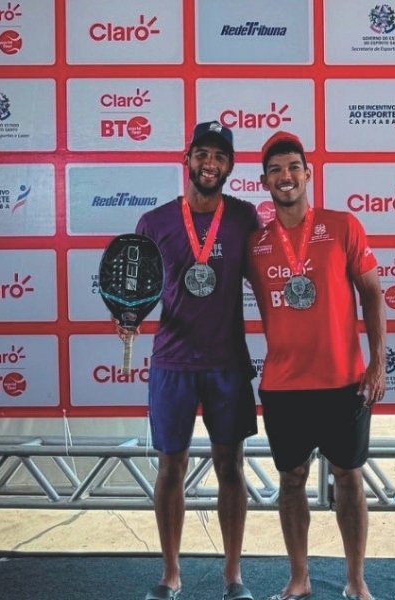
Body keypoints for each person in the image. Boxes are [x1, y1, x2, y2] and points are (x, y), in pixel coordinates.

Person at [246, 131, 386, 600]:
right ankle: (299, 578)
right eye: (275, 171)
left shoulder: (342, 226)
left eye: (292, 167)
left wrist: (377, 364)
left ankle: (355, 581)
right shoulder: (256, 243)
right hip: (283, 385)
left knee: (349, 477)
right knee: (291, 480)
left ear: (307, 173)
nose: (285, 177)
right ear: (264, 182)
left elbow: (371, 294)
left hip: (344, 380)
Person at [132, 121, 259, 600]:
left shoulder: (245, 217)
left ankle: (233, 577)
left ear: (230, 166)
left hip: (227, 361)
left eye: (220, 157)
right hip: (172, 361)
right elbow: (135, 288)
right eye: (202, 154)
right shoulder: (155, 221)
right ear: (187, 159)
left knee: (231, 468)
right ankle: (170, 574)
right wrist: (125, 316)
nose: (210, 164)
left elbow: (267, 281)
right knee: (171, 467)